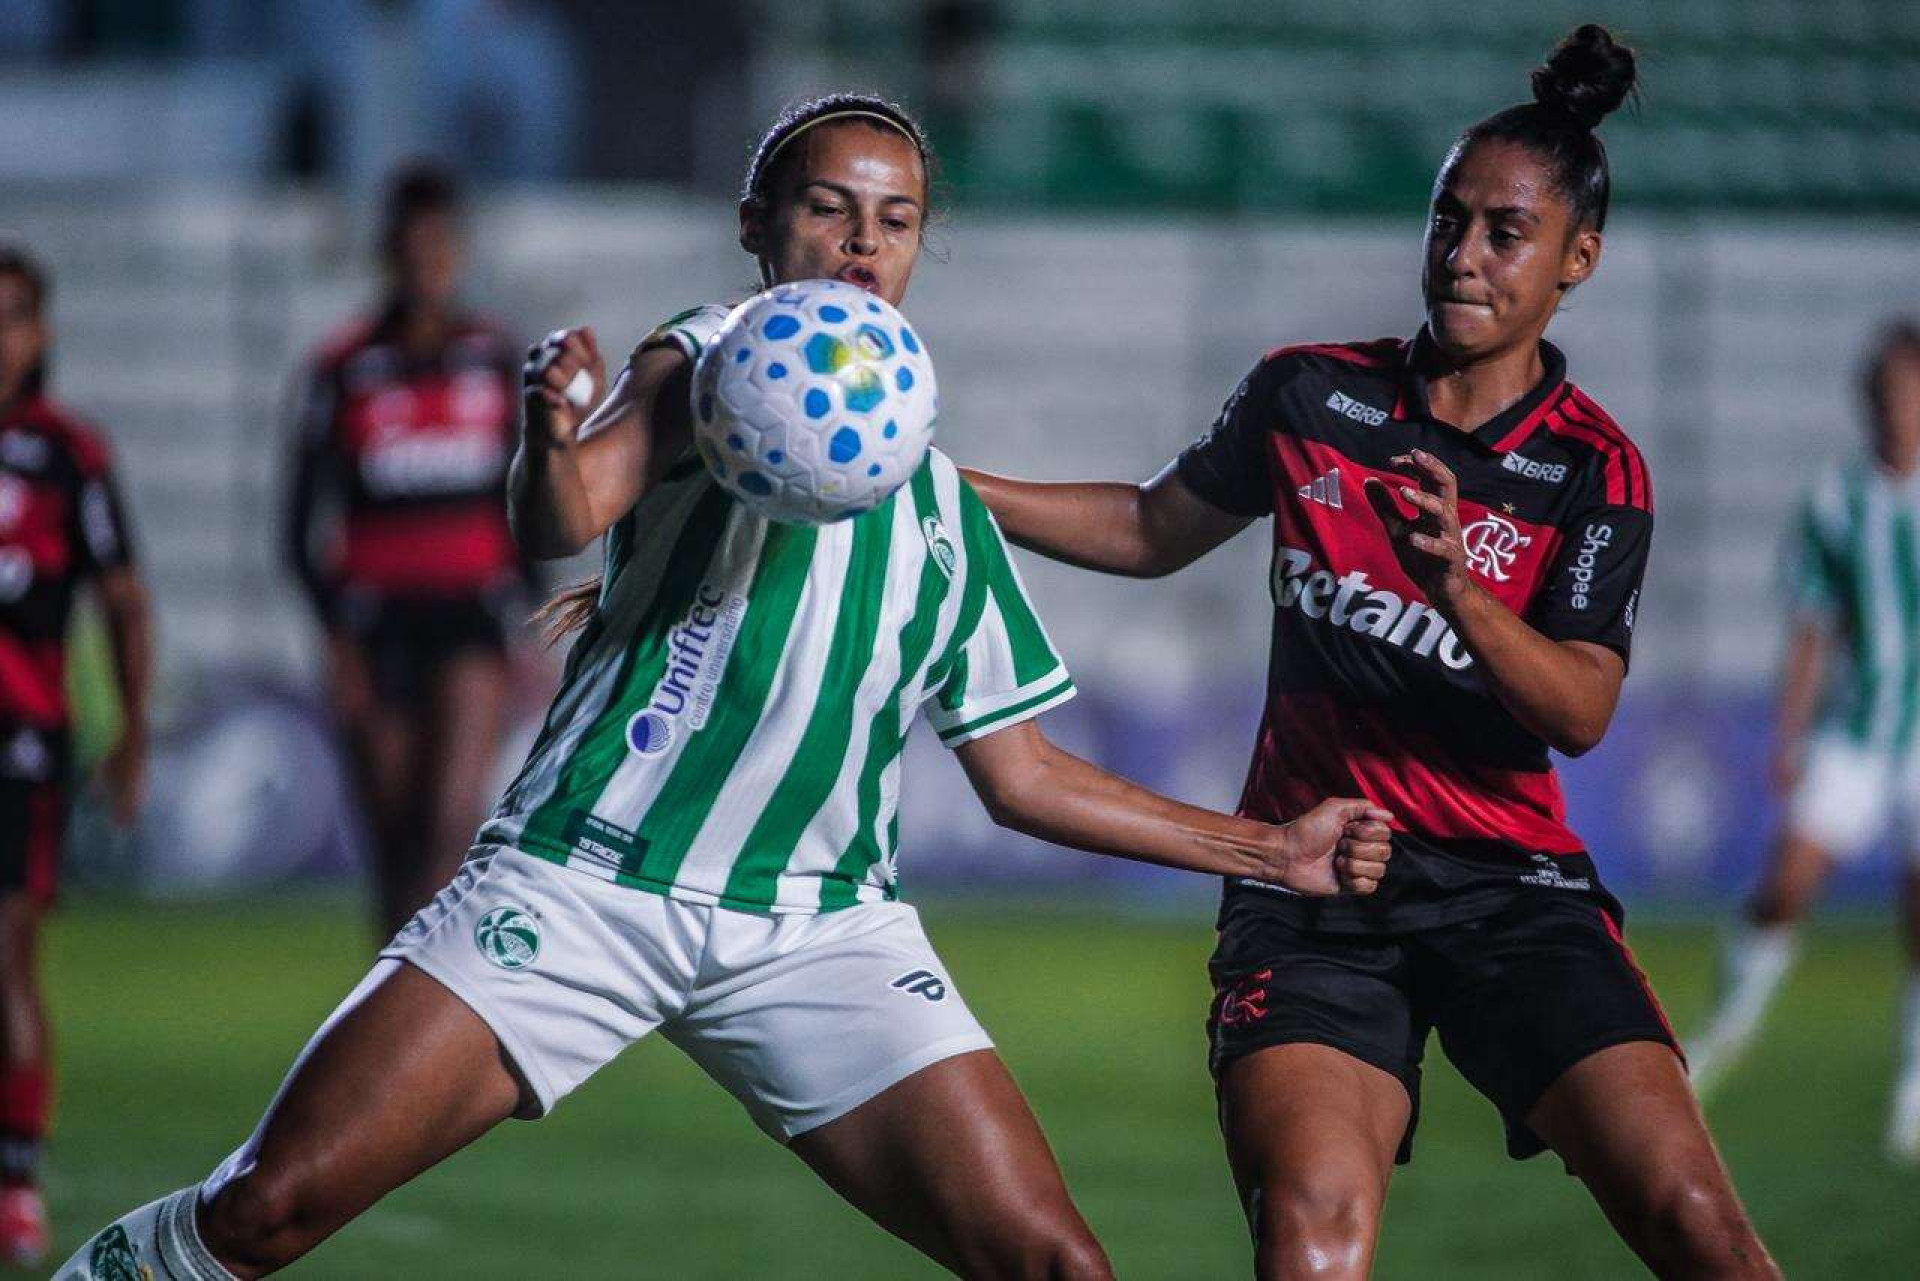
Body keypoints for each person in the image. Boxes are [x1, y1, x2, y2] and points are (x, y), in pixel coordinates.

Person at [55, 94, 1393, 1280]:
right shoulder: (712, 365)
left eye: (898, 219)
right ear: (762, 225)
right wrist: (543, 427)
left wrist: (1267, 848)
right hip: (584, 883)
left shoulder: (939, 505)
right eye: (830, 209)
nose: (864, 245)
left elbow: (1023, 775)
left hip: (818, 934)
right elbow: (566, 508)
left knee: (1052, 1261)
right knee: (270, 1209)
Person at [964, 27, 1782, 1279]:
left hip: (1513, 891)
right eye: (1447, 220)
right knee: (1313, 1247)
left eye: (1505, 233)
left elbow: (1580, 709)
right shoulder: (1310, 395)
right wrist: (942, 486)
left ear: (1578, 260)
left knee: (1699, 1230)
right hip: (1313, 887)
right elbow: (1146, 527)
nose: (1461, 255)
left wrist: (1460, 590)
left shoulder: (1591, 470)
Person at [286, 162, 537, 938]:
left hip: (470, 617)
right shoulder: (344, 369)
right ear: (387, 252)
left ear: (456, 252)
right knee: (394, 838)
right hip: (375, 621)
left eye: (439, 244)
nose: (426, 261)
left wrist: (531, 621)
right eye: (411, 245)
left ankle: (429, 1016)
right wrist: (334, 636)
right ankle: (391, 1011)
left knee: (448, 821)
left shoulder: (495, 359)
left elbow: (532, 501)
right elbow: (299, 522)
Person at [1689, 321, 1920, 1160]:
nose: (1900, 408)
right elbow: (1811, 629)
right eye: (1888, 393)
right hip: (1857, 733)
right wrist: (1787, 731)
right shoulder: (1838, 498)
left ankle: (1913, 1088)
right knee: (1785, 883)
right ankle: (1724, 1033)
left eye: (1911, 391)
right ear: (1869, 402)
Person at [0, 244, 151, 1268]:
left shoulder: (66, 455)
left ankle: (15, 1174)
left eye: (11, 318)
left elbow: (124, 598)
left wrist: (133, 730)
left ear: (40, 335)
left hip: (17, 739)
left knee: (3, 950)